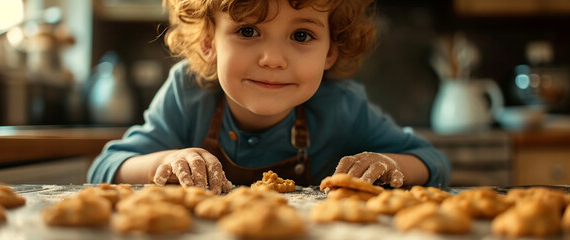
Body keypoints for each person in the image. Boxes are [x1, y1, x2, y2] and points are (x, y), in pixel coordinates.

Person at [87, 0, 451, 194]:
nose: (273, 60)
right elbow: (105, 168)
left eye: (302, 36)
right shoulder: (189, 94)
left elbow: (432, 161)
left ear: (330, 51)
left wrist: (390, 164)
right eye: (248, 30)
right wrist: (163, 162)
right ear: (209, 42)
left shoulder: (341, 106)